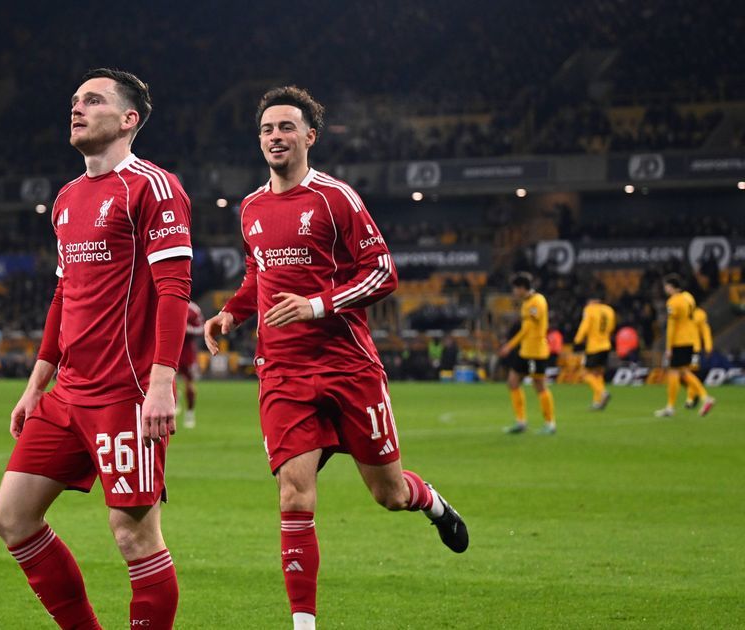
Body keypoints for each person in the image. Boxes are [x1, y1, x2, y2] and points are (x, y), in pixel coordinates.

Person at [203, 86, 467, 630]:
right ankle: (304, 625)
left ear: (310, 136)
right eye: (267, 129)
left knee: (389, 494)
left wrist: (317, 305)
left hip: (348, 366)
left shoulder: (335, 198)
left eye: (286, 127)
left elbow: (383, 272)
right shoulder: (250, 207)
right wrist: (231, 312)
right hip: (282, 371)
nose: (276, 136)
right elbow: (258, 274)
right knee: (294, 495)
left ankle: (433, 503)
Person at [0, 68, 192, 630]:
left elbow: (174, 289)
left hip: (126, 394)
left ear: (129, 119)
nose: (77, 108)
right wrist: (36, 384)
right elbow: (64, 294)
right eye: (75, 100)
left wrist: (161, 383)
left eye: (94, 100)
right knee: (11, 518)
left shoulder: (153, 187)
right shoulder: (66, 198)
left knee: (133, 535)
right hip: (68, 393)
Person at [499, 272, 556, 434]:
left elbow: (528, 328)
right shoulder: (527, 302)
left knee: (539, 385)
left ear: (522, 288)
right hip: (526, 350)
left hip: (536, 352)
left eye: (515, 289)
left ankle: (550, 423)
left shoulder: (537, 301)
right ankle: (521, 422)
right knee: (512, 382)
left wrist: (509, 346)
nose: (513, 292)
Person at [655, 275, 714, 417]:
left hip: (679, 341)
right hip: (691, 341)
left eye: (666, 286)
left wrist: (669, 347)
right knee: (684, 372)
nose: (665, 289)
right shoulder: (689, 297)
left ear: (671, 287)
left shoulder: (673, 302)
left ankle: (673, 406)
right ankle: (702, 398)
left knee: (674, 372)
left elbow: (671, 326)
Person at [574, 295, 615, 410]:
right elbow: (612, 327)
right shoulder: (609, 310)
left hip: (594, 347)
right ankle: (598, 402)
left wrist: (577, 340)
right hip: (606, 345)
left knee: (585, 374)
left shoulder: (590, 309)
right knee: (598, 374)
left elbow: (585, 326)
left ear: (592, 301)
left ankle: (602, 393)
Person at [179, 300, 203, 429]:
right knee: (165, 378)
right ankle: (173, 401)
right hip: (167, 348)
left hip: (186, 351)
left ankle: (190, 412)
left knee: (189, 383)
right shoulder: (165, 302)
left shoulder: (193, 309)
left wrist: (189, 329)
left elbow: (201, 328)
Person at [686, 305, 713, 409]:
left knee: (691, 373)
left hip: (694, 349)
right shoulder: (681, 313)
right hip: (680, 348)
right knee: (683, 374)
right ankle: (695, 394)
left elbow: (705, 331)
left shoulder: (700, 314)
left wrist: (708, 347)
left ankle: (691, 398)